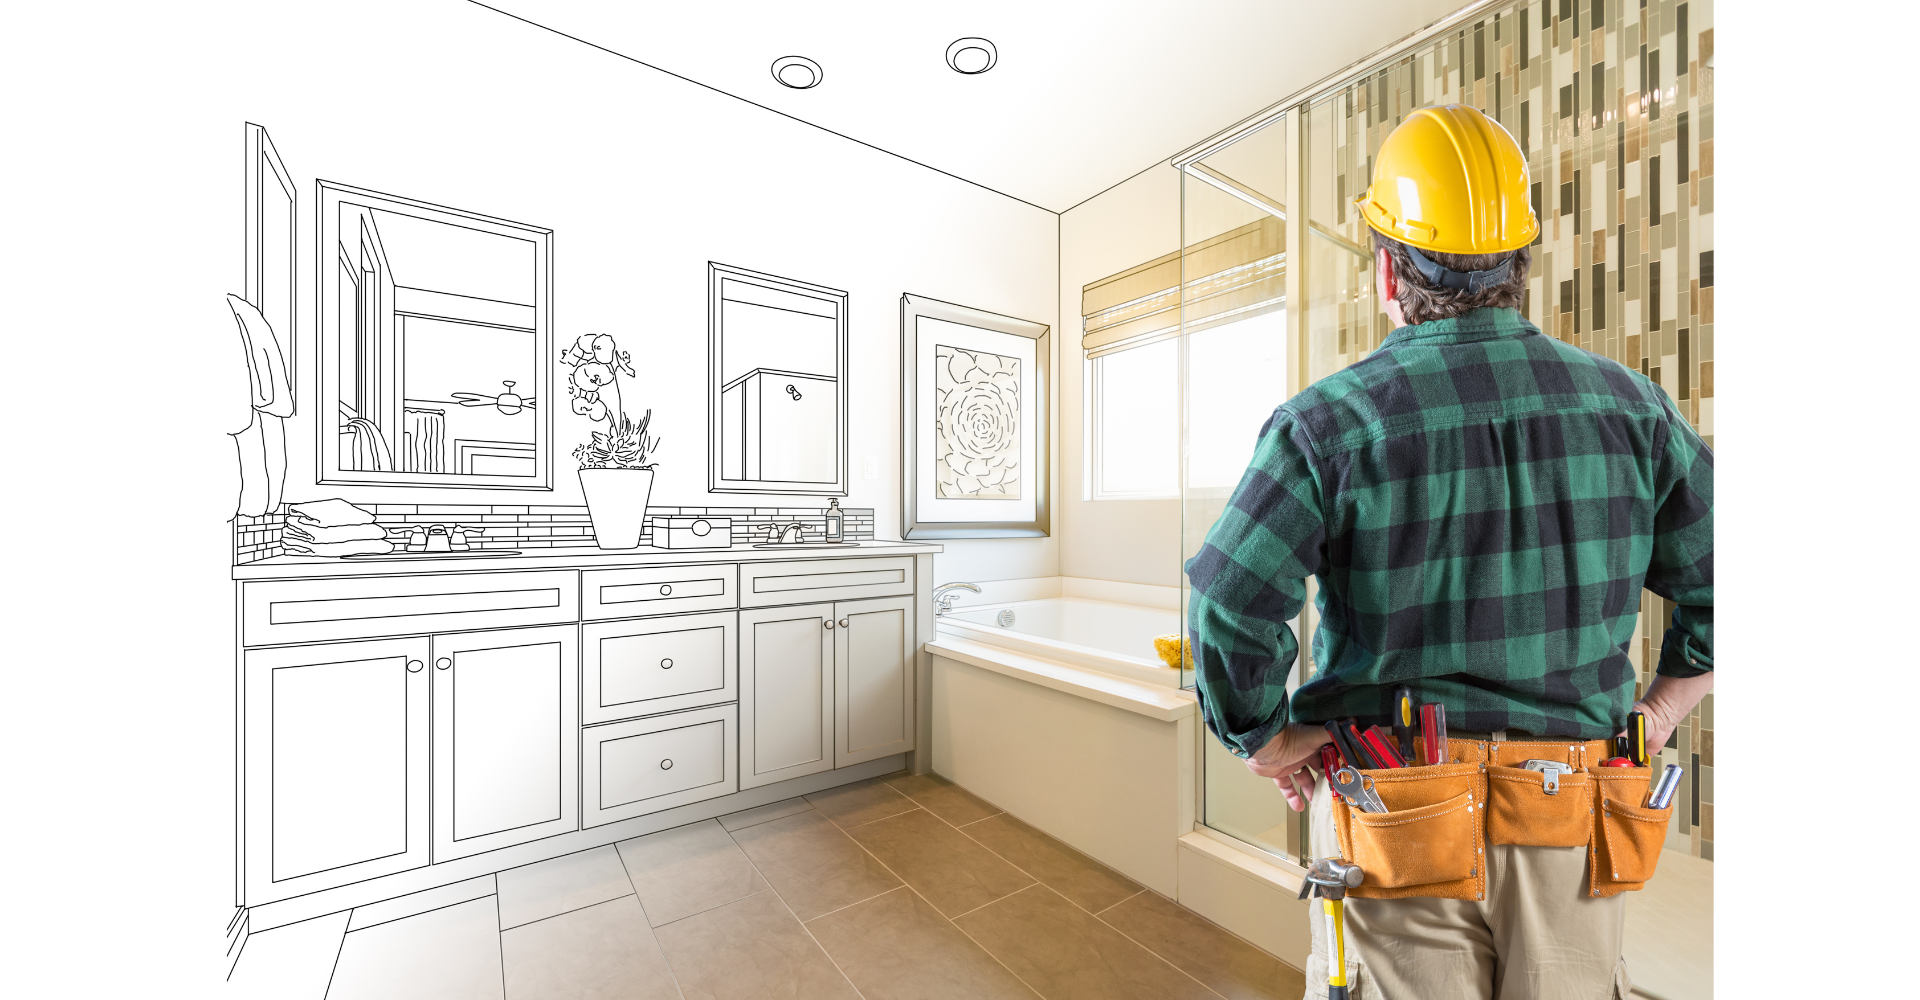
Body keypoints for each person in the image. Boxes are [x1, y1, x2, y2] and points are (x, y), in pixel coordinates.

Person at [1184, 104, 1713, 1000]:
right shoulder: (1634, 410)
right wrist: (1660, 710)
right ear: (1520, 266)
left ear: (1388, 269)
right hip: (1575, 813)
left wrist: (1268, 738)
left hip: (1397, 815)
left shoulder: (1328, 423)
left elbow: (1230, 601)